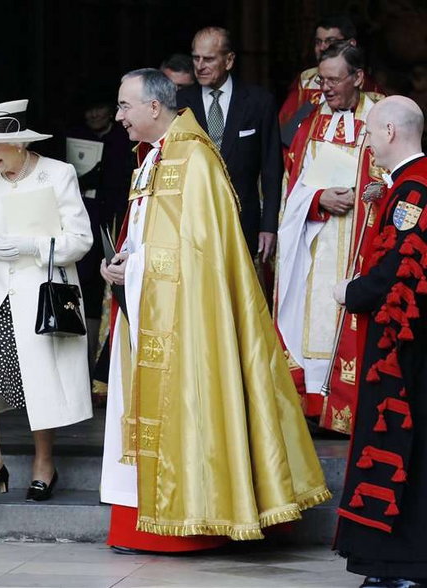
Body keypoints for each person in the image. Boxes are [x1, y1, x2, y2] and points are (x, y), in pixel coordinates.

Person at [98, 68, 330, 553]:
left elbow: (198, 256)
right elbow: (144, 234)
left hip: (187, 321)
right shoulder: (152, 158)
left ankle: (193, 520)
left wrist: (136, 267)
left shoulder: (196, 160)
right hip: (144, 308)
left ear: (154, 107)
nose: (118, 115)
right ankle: (142, 518)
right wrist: (120, 264)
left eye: (124, 105)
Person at [0, 99, 93, 502]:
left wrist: (32, 245)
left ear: (21, 144)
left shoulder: (57, 174)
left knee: (38, 378)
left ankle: (45, 464)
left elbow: (81, 240)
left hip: (42, 292)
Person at [332, 96, 427, 588]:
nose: (368, 141)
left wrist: (352, 291)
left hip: (402, 350)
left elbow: (398, 269)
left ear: (390, 131)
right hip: (402, 344)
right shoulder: (404, 187)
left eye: (370, 133)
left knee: (397, 443)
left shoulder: (414, 191)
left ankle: (402, 567)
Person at [275, 41, 385, 433]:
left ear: (357, 77)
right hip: (315, 245)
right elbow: (293, 187)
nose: (326, 88)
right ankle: (312, 407)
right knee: (310, 322)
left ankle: (349, 410)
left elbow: (400, 176)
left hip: (361, 242)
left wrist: (361, 193)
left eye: (335, 80)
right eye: (321, 80)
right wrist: (319, 198)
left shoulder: (382, 116)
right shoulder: (309, 121)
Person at [176, 26, 282, 263]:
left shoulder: (258, 102)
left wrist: (269, 226)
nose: (200, 65)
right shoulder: (179, 103)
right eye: (196, 58)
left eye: (209, 59)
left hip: (244, 220)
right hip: (192, 222)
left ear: (229, 60)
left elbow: (271, 169)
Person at [64, 93, 133, 387]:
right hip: (81, 219)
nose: (94, 115)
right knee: (80, 285)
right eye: (89, 109)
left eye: (99, 107)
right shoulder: (75, 136)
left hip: (112, 221)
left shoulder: (123, 137)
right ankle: (76, 370)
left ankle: (100, 372)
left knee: (102, 286)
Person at [279, 15, 384, 146]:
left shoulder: (373, 95)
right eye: (318, 42)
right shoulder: (306, 80)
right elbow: (286, 129)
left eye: (330, 41)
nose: (322, 48)